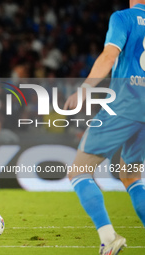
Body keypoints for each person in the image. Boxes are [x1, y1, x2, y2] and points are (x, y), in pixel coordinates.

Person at [64, 1, 145, 254]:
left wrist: (85, 88)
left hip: (124, 106)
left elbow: (109, 56)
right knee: (131, 176)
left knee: (79, 172)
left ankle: (108, 237)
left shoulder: (123, 18)